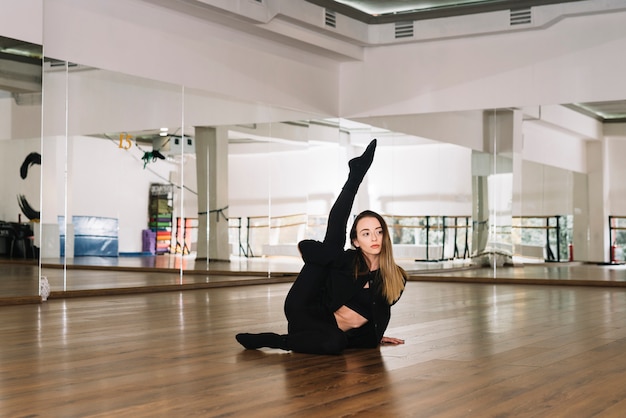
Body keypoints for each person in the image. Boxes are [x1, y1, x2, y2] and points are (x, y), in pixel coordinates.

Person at [236, 139, 407, 354]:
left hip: (332, 333)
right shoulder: (346, 260)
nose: (374, 238)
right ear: (356, 241)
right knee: (333, 244)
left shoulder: (396, 277)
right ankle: (355, 176)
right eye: (366, 233)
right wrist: (329, 253)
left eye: (378, 231)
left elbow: (376, 312)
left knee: (336, 342)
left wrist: (376, 336)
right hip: (306, 310)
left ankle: (284, 340)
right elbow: (307, 247)